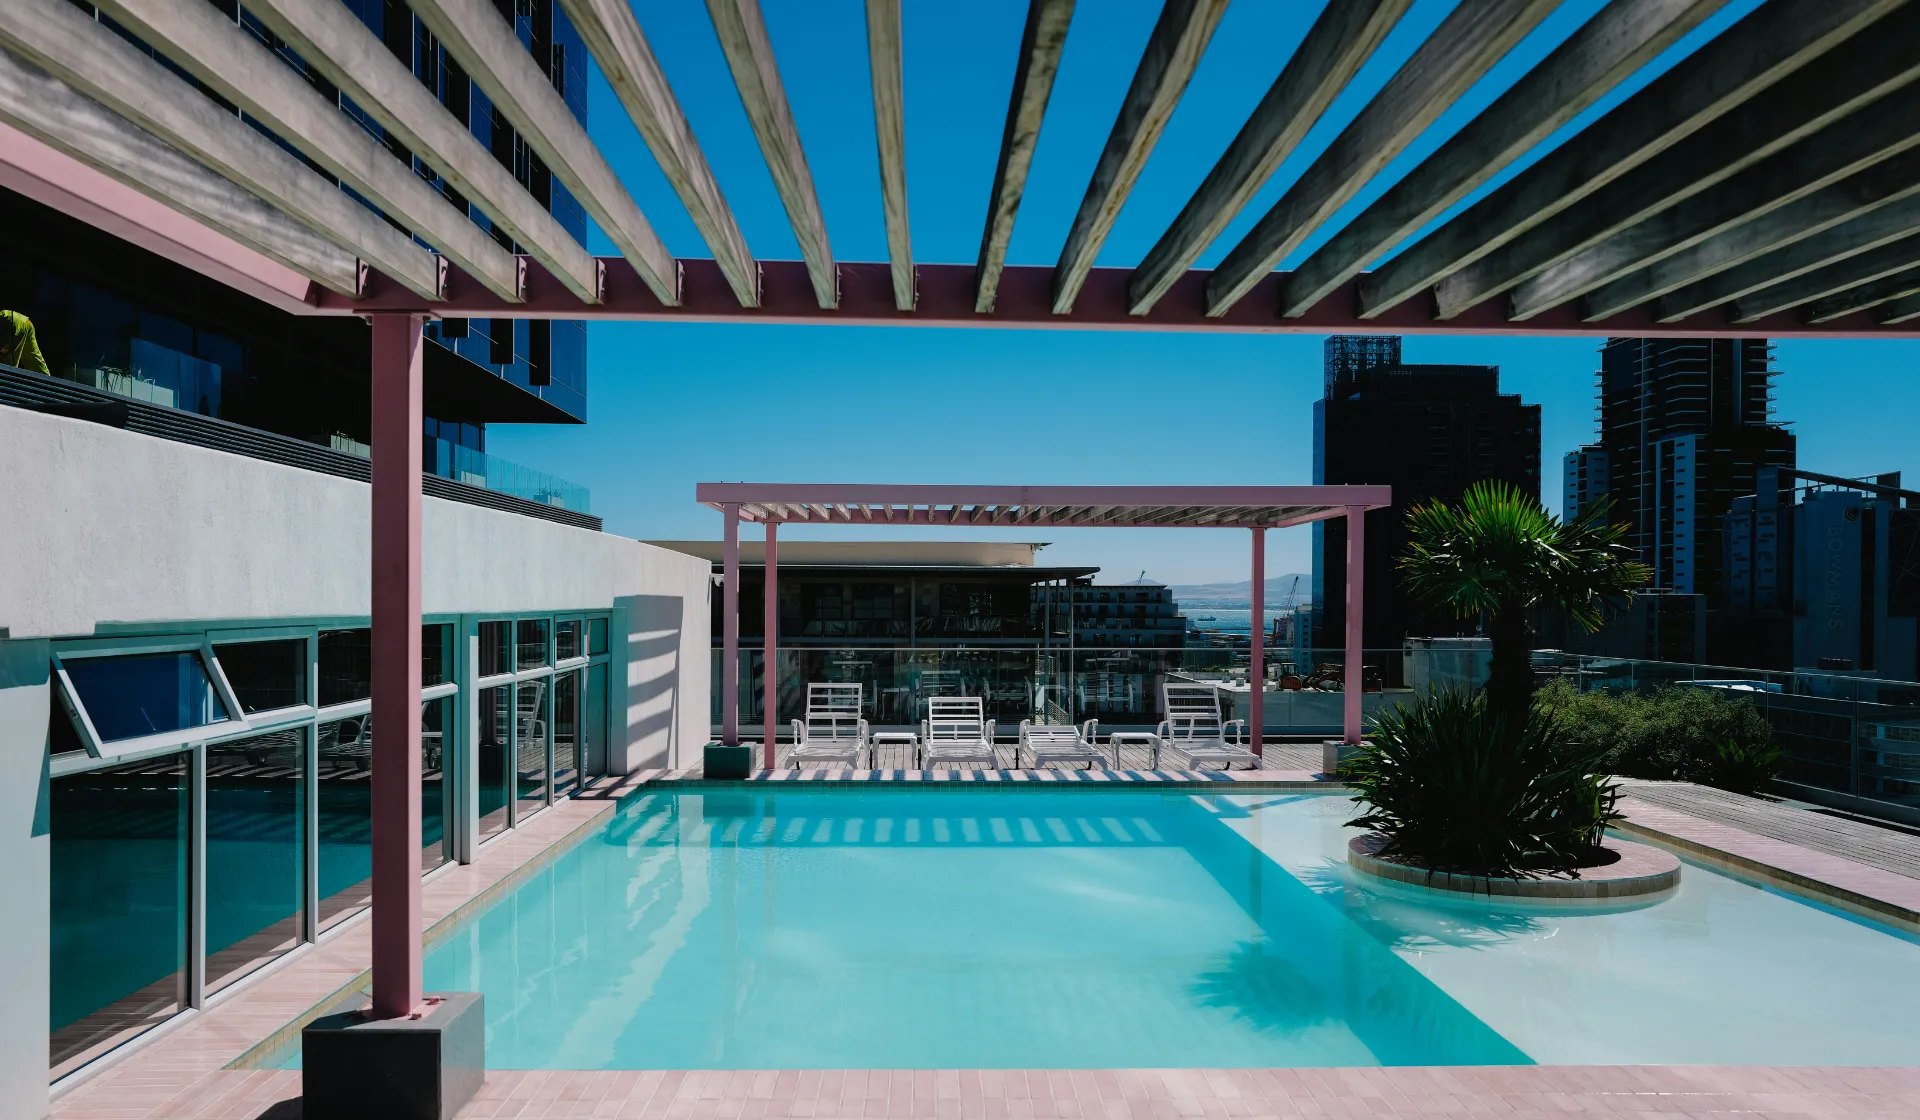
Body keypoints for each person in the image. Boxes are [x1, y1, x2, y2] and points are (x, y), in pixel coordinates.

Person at [1, 308, 49, 374]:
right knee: (35, 361)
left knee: (8, 364)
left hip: (11, 321)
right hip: (26, 322)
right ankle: (46, 381)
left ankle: (6, 381)